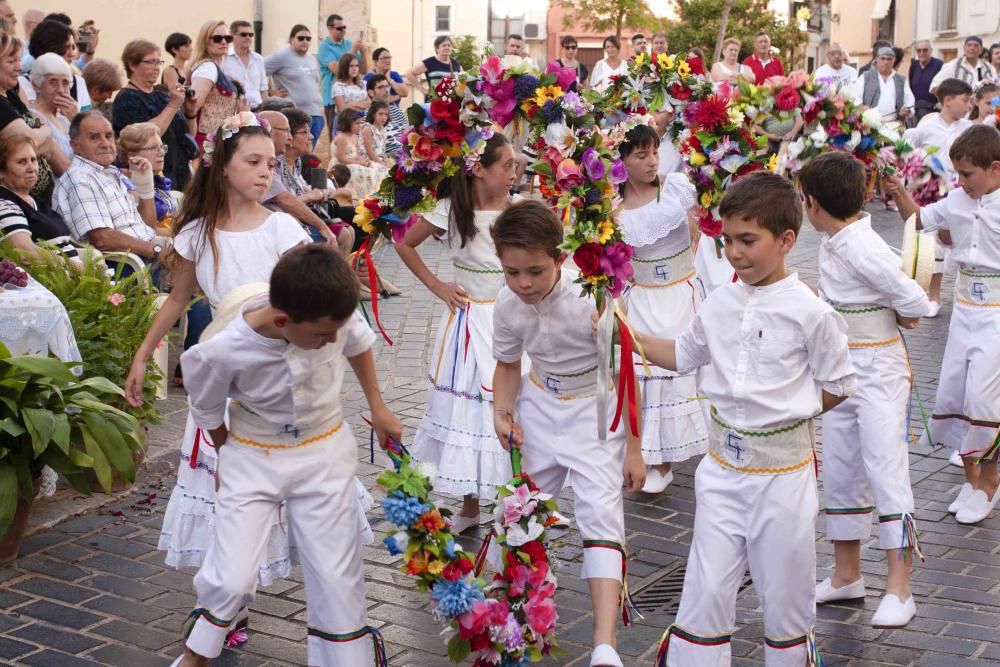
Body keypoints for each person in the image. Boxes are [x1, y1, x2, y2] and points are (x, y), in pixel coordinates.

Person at [644, 171, 855, 665]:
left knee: (785, 594)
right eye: (728, 240)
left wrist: (784, 419)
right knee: (706, 587)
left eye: (747, 241)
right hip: (719, 474)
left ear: (785, 241)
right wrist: (621, 333)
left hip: (782, 478)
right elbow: (681, 354)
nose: (735, 253)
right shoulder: (719, 302)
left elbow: (839, 384)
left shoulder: (811, 312)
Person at [167, 242, 398, 667]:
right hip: (254, 454)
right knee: (232, 575)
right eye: (322, 335)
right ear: (282, 320)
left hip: (324, 450)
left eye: (336, 330)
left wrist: (378, 407)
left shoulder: (331, 315)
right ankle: (196, 654)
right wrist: (226, 457)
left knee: (335, 575)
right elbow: (205, 408)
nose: (332, 340)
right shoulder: (223, 350)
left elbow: (357, 342)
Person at [491, 200, 644, 667]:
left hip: (595, 414)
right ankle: (514, 620)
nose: (523, 283)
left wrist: (634, 449)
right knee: (517, 513)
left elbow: (625, 372)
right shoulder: (506, 303)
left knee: (600, 516)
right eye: (512, 272)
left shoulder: (591, 297)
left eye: (535, 271)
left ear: (561, 258)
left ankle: (604, 643)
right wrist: (502, 410)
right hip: (539, 408)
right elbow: (508, 364)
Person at [799, 152, 928, 629]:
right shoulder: (839, 240)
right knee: (841, 465)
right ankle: (847, 574)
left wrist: (899, 311)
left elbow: (916, 298)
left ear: (812, 204)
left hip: (877, 366)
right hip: (842, 367)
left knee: (885, 465)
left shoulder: (860, 246)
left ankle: (900, 585)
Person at [395, 133, 516, 532]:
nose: (515, 174)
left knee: (512, 407)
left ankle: (520, 500)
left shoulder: (516, 210)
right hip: (467, 322)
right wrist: (438, 286)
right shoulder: (449, 209)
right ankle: (469, 505)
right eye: (507, 166)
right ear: (479, 169)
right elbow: (404, 244)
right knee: (468, 409)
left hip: (508, 320)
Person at [883, 125, 1000, 525]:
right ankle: (971, 480)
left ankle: (990, 481)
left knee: (986, 401)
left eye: (968, 174)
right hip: (965, 308)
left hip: (999, 314)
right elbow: (917, 222)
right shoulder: (956, 200)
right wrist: (899, 192)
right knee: (957, 393)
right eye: (958, 174)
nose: (961, 182)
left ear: (995, 168)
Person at [617, 124, 707, 493]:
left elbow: (703, 224)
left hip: (680, 292)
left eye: (654, 152)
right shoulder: (613, 208)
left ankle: (667, 457)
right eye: (641, 155)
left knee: (678, 369)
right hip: (642, 294)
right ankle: (647, 453)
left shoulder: (676, 188)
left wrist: (696, 222)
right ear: (622, 161)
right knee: (643, 373)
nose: (652, 161)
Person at [903, 78, 973, 316]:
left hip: (960, 191)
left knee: (958, 241)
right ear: (948, 100)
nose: (968, 106)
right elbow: (908, 147)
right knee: (934, 244)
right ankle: (932, 294)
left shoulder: (967, 129)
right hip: (932, 193)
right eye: (965, 100)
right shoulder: (927, 125)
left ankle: (961, 288)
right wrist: (917, 172)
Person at [54, 110, 163, 260]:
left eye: (108, 136)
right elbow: (102, 239)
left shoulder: (108, 173)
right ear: (75, 146)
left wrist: (145, 187)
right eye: (94, 137)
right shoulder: (80, 179)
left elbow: (148, 228)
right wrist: (157, 251)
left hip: (146, 252)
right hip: (127, 266)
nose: (105, 144)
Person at [112, 38, 195, 191]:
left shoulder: (162, 95)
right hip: (152, 178)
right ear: (132, 65)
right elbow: (144, 137)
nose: (157, 68)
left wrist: (190, 113)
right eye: (151, 62)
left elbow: (187, 134)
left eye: (159, 62)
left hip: (180, 173)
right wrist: (172, 106)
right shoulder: (126, 98)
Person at [0, 32, 65, 206]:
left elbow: (37, 124)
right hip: (19, 202)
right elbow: (30, 143)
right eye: (11, 61)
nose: (19, 67)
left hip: (41, 201)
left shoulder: (10, 93)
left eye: (18, 60)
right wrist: (46, 130)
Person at [0, 133, 76, 260]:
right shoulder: (4, 203)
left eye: (33, 160)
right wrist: (75, 267)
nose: (32, 168)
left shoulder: (35, 203)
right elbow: (25, 251)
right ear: (1, 171)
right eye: (21, 162)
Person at [264, 25, 324, 146]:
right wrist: (270, 93)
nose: (305, 41)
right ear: (291, 39)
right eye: (301, 38)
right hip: (295, 115)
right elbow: (256, 72)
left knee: (308, 154)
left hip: (316, 114)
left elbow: (316, 85)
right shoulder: (281, 56)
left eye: (308, 38)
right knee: (295, 151)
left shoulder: (312, 59)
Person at [187, 20, 239, 147]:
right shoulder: (208, 68)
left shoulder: (212, 67)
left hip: (214, 140)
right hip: (204, 142)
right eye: (217, 38)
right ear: (205, 41)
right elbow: (192, 107)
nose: (223, 42)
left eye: (227, 38)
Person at [23, 19, 90, 109]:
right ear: (49, 48)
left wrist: (74, 117)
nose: (71, 54)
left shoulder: (78, 83)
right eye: (66, 47)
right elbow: (27, 120)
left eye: (73, 47)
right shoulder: (22, 84)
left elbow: (86, 119)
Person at [318, 13, 365, 140]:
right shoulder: (324, 48)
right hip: (334, 100)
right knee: (337, 138)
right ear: (329, 28)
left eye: (344, 27)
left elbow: (363, 70)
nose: (343, 30)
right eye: (339, 28)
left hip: (353, 95)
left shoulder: (349, 44)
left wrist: (364, 51)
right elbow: (337, 70)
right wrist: (353, 51)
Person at [328, 111, 385, 202]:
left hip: (352, 161)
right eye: (356, 123)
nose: (359, 126)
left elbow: (356, 154)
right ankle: (360, 197)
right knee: (360, 171)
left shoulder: (354, 136)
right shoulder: (341, 138)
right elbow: (342, 158)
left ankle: (378, 195)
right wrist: (360, 163)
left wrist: (364, 161)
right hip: (341, 165)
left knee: (376, 167)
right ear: (347, 123)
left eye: (360, 123)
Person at [28, 52, 73, 165]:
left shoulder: (64, 119)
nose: (61, 90)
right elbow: (64, 168)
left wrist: (76, 118)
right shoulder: (34, 118)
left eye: (65, 83)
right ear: (36, 85)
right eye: (53, 82)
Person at [852, 45, 915, 124]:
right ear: (876, 59)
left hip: (894, 125)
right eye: (883, 58)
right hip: (869, 126)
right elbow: (855, 97)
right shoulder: (866, 77)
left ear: (894, 60)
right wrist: (861, 107)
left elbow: (910, 101)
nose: (886, 62)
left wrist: (906, 109)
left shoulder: (901, 80)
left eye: (889, 59)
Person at [223, 20, 267, 109]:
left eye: (250, 35)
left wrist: (265, 109)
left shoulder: (258, 59)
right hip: (234, 109)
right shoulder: (224, 58)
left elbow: (263, 89)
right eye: (243, 34)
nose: (248, 37)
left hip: (258, 108)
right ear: (232, 37)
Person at [931, 35, 997, 92]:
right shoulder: (954, 65)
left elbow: (996, 89)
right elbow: (934, 87)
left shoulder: (988, 67)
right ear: (964, 48)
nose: (972, 48)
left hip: (985, 106)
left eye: (976, 46)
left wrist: (997, 107)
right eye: (969, 45)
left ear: (981, 50)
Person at [405, 35, 461, 100]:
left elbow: (462, 81)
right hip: (435, 102)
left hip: (452, 102)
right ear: (437, 49)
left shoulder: (455, 63)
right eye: (444, 45)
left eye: (449, 45)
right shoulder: (429, 62)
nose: (447, 47)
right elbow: (409, 73)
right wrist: (422, 90)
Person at [366, 74, 403, 155]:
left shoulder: (398, 112)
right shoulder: (366, 116)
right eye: (380, 87)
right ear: (371, 92)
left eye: (387, 86)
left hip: (404, 155)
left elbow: (407, 135)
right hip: (383, 157)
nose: (386, 90)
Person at [331, 53, 369, 129]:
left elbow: (369, 103)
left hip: (364, 123)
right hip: (347, 124)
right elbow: (342, 109)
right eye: (351, 66)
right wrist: (361, 105)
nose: (355, 69)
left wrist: (350, 104)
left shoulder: (363, 84)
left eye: (357, 66)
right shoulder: (338, 86)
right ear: (344, 67)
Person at [909, 40, 944, 123]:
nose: (922, 53)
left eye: (925, 50)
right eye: (919, 50)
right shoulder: (914, 65)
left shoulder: (939, 65)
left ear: (931, 50)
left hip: (933, 110)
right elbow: (911, 85)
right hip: (916, 110)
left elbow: (945, 87)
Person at [360, 100, 390, 168]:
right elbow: (370, 152)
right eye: (380, 114)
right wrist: (381, 164)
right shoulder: (367, 128)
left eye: (386, 114)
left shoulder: (383, 130)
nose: (384, 117)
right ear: (373, 114)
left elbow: (383, 151)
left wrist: (385, 162)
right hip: (367, 161)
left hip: (379, 160)